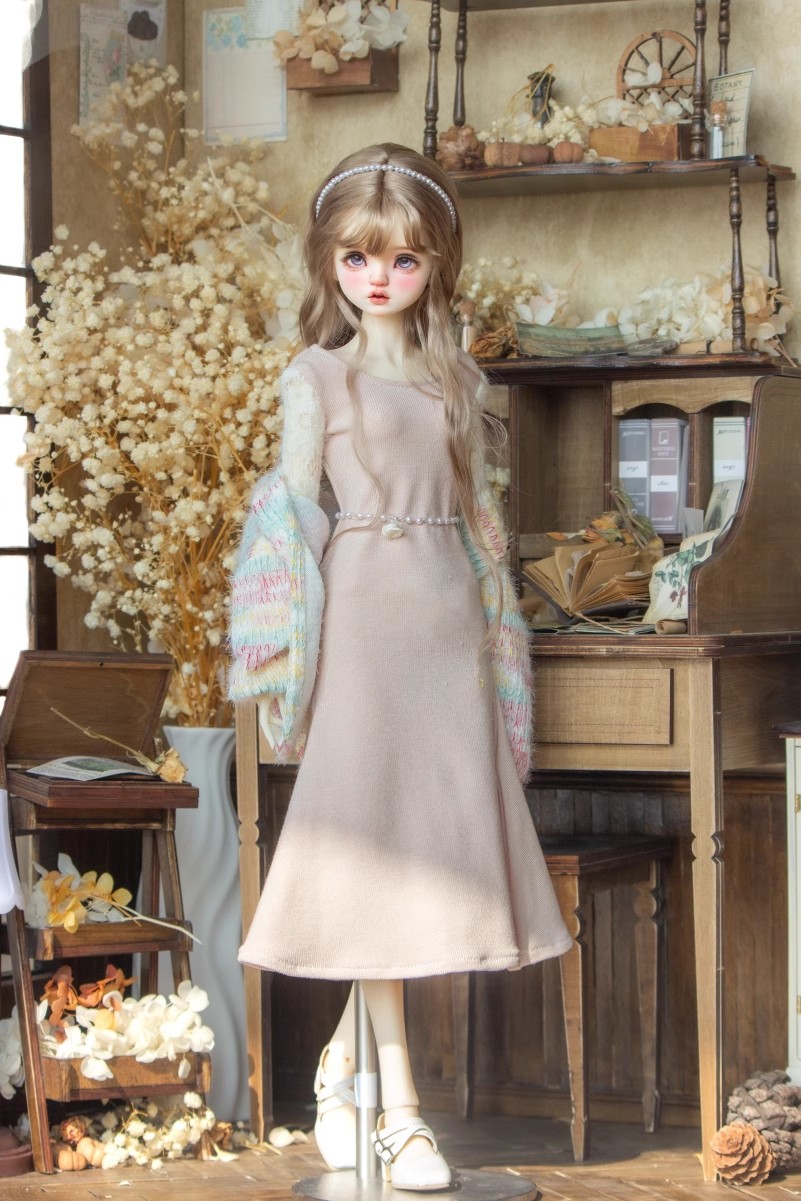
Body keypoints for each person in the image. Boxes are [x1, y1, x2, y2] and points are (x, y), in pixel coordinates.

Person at [228, 143, 572, 1191]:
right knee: (375, 852)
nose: (378, 278)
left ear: (434, 266)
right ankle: (405, 1118)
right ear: (330, 262)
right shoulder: (315, 375)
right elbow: (290, 515)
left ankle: (341, 1072)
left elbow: (481, 523)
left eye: (403, 260)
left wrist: (499, 633)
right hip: (363, 627)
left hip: (447, 626)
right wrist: (277, 646)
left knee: (425, 853)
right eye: (358, 258)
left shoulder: (456, 378)